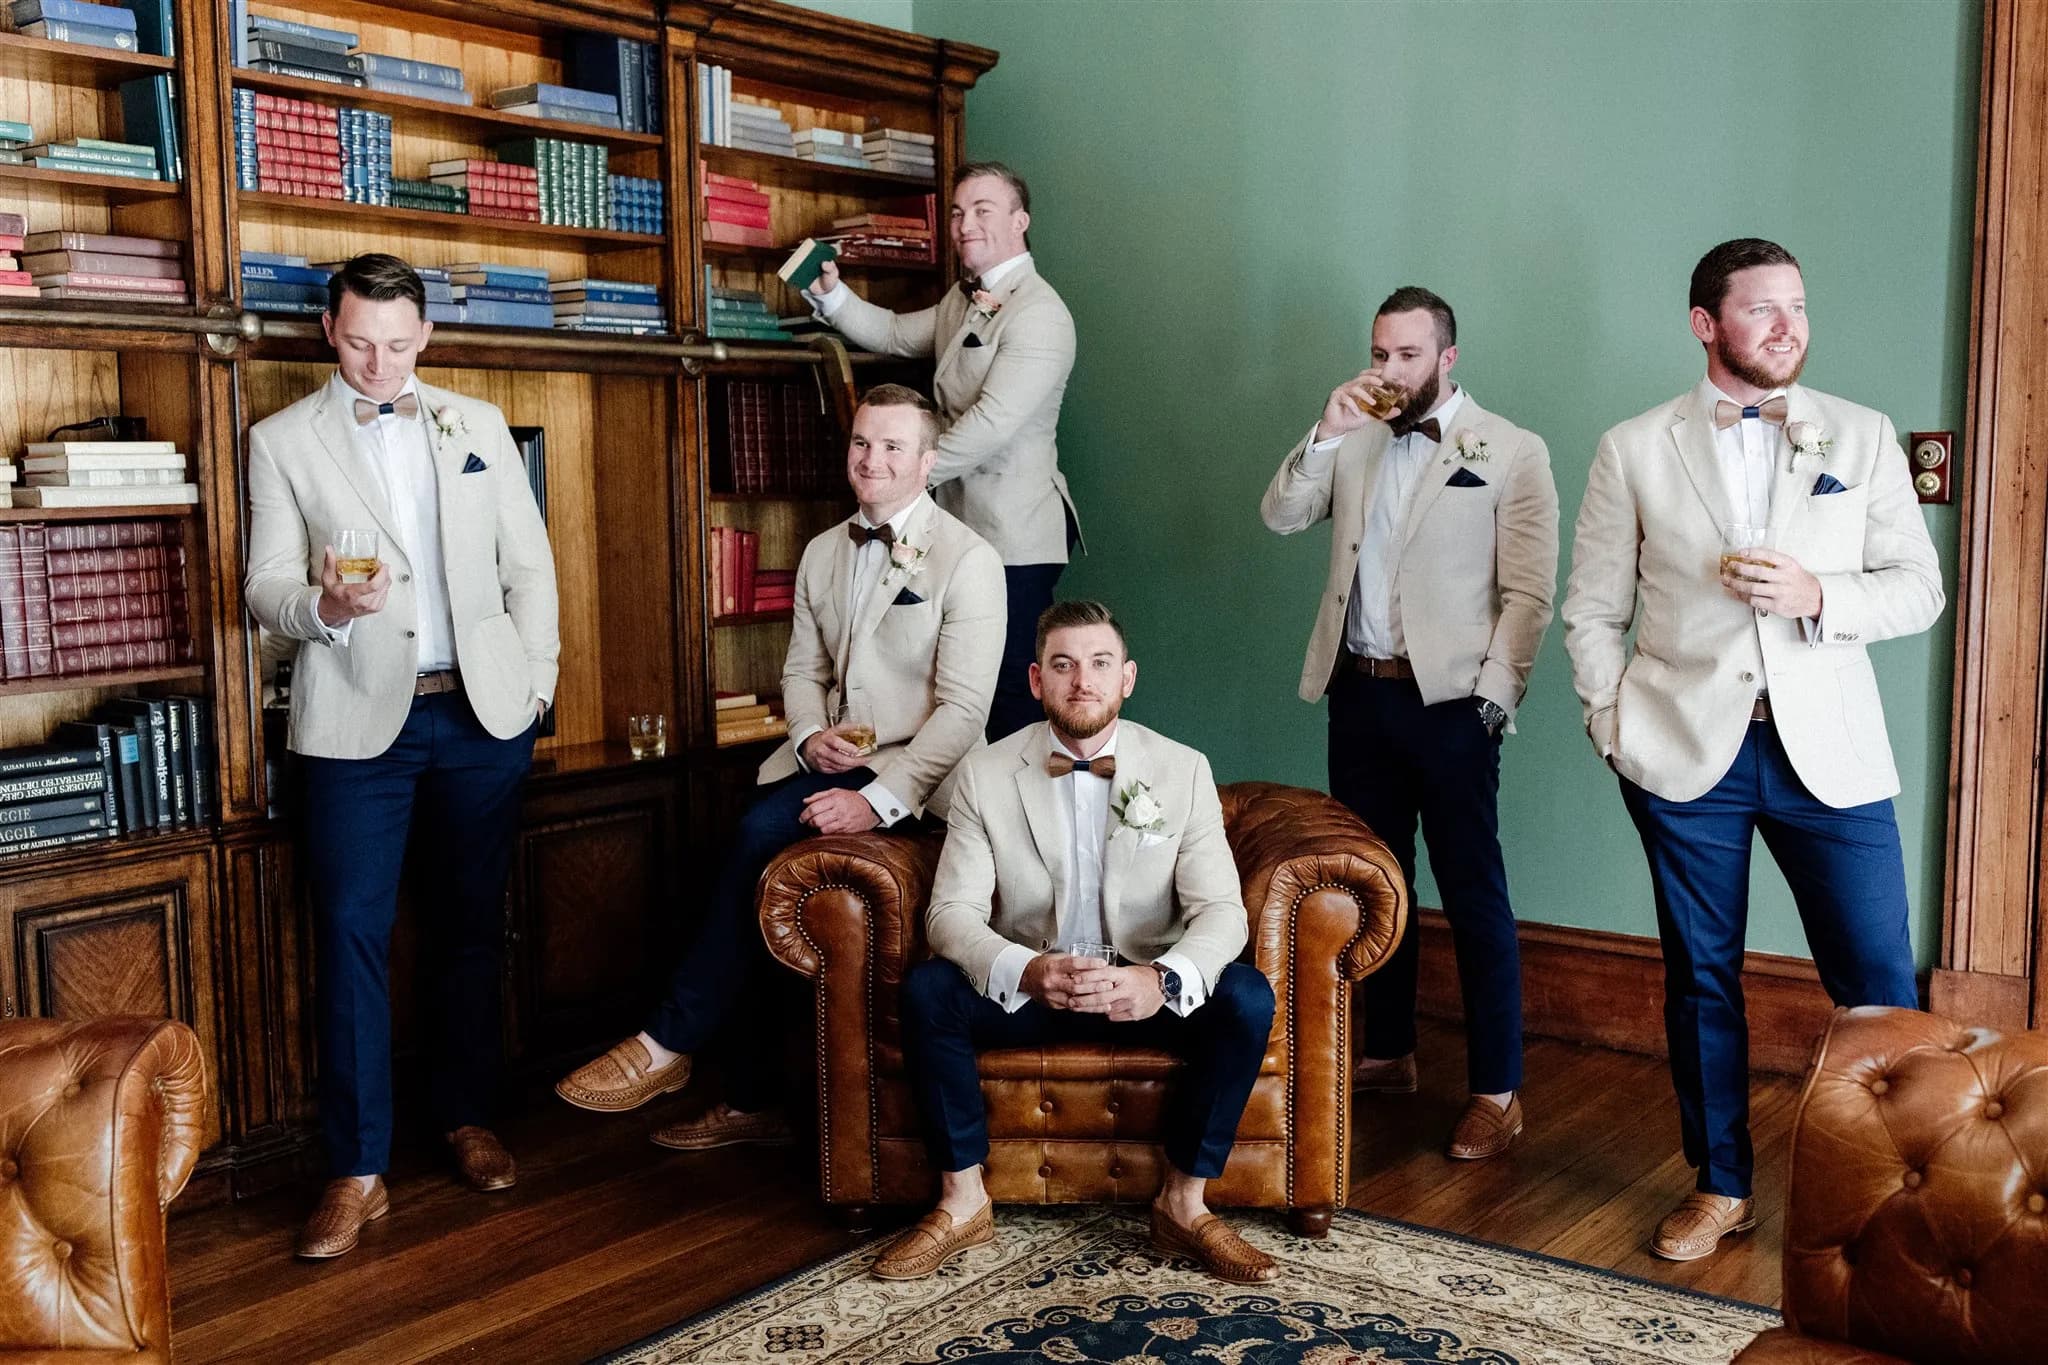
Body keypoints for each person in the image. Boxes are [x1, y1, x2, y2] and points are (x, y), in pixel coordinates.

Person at [1562, 237, 1943, 1260]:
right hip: (1687, 755)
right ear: (1704, 324)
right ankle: (1718, 1183)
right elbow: (1592, 606)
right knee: (1700, 977)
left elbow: (1918, 585)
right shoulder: (1632, 446)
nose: (1788, 327)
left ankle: (1906, 1192)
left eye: (1798, 308)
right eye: (1762, 309)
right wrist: (1613, 724)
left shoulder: (1858, 436)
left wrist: (1821, 596)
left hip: (1830, 756)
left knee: (1877, 983)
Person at [556, 385, 1006, 1150]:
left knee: (764, 830)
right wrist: (807, 740)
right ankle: (750, 1094)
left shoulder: (970, 560)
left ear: (927, 462)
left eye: (893, 446)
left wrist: (877, 801)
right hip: (830, 758)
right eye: (863, 442)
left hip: (924, 780)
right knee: (732, 843)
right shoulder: (823, 550)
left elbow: (963, 716)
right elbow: (800, 670)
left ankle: (669, 1046)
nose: (872, 459)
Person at [243, 252, 560, 1259]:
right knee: (350, 937)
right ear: (329, 334)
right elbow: (263, 590)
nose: (379, 362)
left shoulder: (476, 425)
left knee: (472, 929)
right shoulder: (280, 439)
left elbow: (530, 568)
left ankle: (467, 1120)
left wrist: (535, 686)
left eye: (396, 341)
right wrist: (325, 608)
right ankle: (357, 1170)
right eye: (358, 341)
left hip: (479, 718)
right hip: (349, 727)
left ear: (424, 335)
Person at [876, 600, 1280, 1285]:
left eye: (1098, 664)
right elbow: (950, 913)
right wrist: (1027, 969)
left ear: (1127, 678)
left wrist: (1162, 980)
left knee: (1245, 995)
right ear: (1037, 681)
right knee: (928, 991)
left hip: (1142, 987)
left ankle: (1184, 1204)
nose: (1081, 680)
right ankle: (962, 1198)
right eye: (1063, 665)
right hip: (1034, 986)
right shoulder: (984, 774)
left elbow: (1222, 913)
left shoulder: (1182, 769)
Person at [1260, 286, 1558, 1160]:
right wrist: (1325, 430)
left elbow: (1530, 593)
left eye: (1408, 356)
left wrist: (1493, 703)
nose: (1389, 371)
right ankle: (1387, 1052)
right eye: (1380, 354)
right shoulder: (1352, 439)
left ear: (1448, 357)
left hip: (1455, 704)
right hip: (1359, 694)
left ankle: (1497, 1091)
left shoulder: (1512, 450)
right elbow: (1279, 515)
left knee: (1474, 891)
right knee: (1372, 885)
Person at [807, 161, 1078, 740]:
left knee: (1007, 693)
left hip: (1014, 535)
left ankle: (1017, 824)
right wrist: (833, 297)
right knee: (947, 685)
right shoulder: (962, 300)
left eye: (983, 210)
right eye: (957, 212)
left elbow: (991, 424)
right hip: (950, 524)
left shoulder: (1041, 313)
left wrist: (905, 478)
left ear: (1020, 221)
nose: (964, 223)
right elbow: (896, 333)